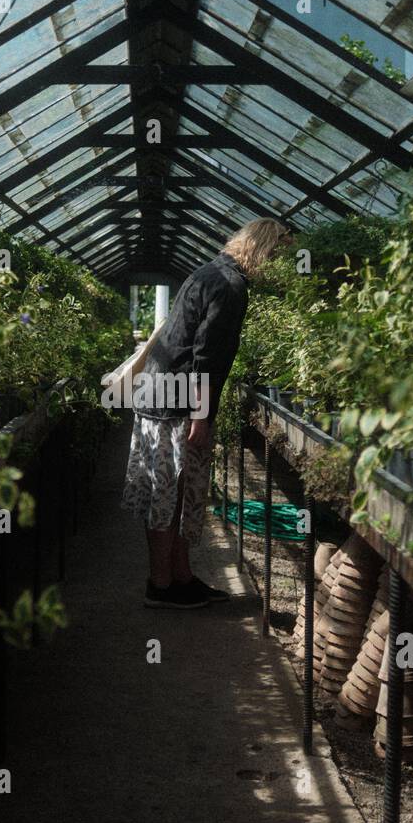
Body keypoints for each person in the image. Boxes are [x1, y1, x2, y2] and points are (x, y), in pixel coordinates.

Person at [120, 218, 291, 608]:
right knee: (168, 494)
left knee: (178, 493)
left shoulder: (208, 272)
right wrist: (201, 416)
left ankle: (180, 578)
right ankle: (161, 586)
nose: (279, 266)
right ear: (264, 250)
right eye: (278, 255)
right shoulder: (230, 287)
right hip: (173, 404)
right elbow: (206, 358)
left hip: (160, 393)